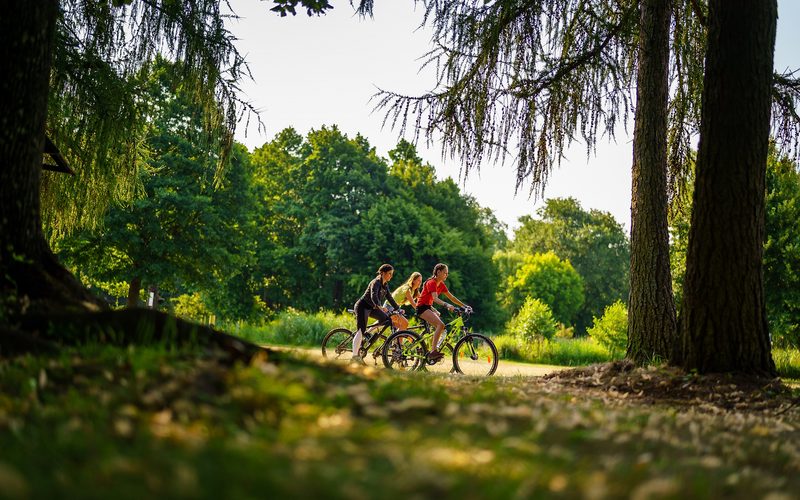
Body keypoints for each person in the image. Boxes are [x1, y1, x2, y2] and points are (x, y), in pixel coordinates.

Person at [416, 263, 471, 361]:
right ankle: (433, 352)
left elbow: (452, 298)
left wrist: (465, 306)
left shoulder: (441, 284)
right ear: (438, 272)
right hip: (422, 307)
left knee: (441, 328)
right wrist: (447, 305)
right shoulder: (431, 282)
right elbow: (435, 298)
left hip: (428, 307)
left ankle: (426, 349)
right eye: (445, 273)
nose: (447, 275)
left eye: (447, 273)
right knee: (440, 325)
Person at [352, 264, 401, 363]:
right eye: (390, 274)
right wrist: (380, 307)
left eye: (392, 274)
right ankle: (354, 357)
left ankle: (368, 334)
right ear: (383, 273)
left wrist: (398, 308)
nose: (391, 276)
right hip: (362, 306)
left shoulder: (385, 285)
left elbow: (390, 298)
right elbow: (373, 295)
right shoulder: (376, 282)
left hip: (372, 308)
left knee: (386, 319)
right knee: (360, 331)